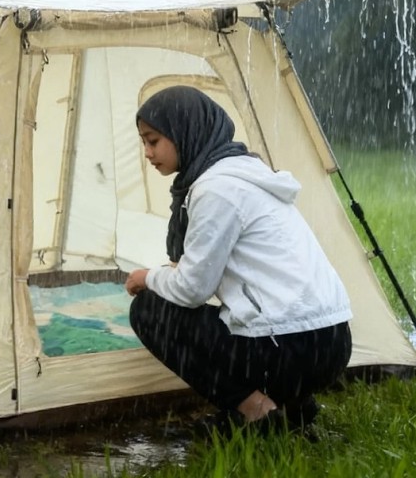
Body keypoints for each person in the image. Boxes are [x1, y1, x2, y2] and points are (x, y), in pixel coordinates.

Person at [124, 85, 353, 434]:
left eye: (153, 140)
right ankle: (294, 408)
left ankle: (258, 413)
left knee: (150, 312)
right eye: (144, 142)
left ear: (185, 131)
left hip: (293, 349)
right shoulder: (246, 173)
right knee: (195, 310)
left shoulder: (216, 189)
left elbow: (191, 290)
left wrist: (146, 277)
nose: (147, 152)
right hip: (332, 343)